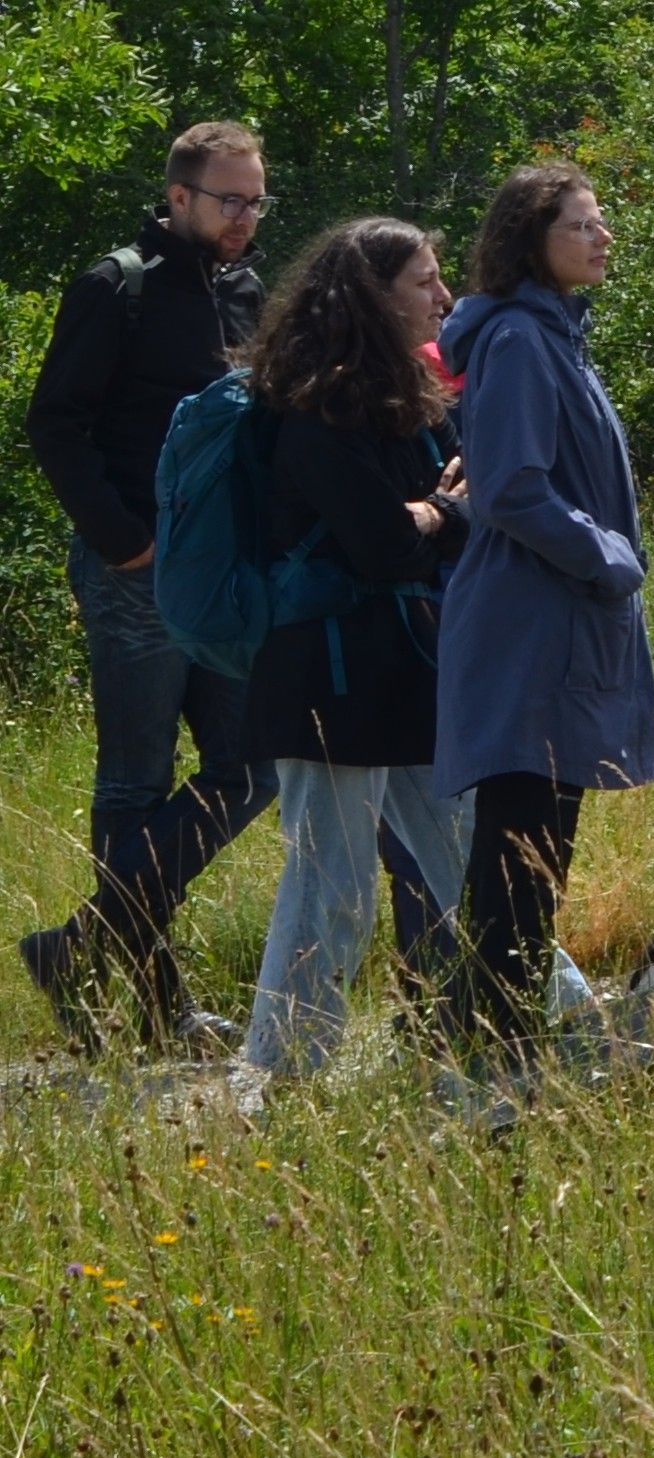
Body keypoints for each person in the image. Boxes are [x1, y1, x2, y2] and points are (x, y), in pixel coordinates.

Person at [19, 120, 276, 1046]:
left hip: (224, 575)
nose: (245, 216)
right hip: (138, 570)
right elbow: (54, 425)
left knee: (254, 767)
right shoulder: (117, 285)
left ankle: (81, 944)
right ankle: (160, 1012)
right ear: (179, 198)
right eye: (229, 200)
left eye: (255, 200)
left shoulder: (245, 289)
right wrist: (127, 542)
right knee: (135, 782)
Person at [227, 220, 474, 1079]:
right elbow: (386, 546)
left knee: (471, 859)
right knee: (333, 891)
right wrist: (441, 512)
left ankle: (546, 1015)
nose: (443, 299)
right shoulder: (319, 415)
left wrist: (435, 514)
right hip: (325, 681)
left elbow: (431, 521)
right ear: (373, 296)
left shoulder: (404, 404)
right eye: (425, 283)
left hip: (402, 668)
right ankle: (281, 1076)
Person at [434, 166, 654, 1062]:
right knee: (519, 844)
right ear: (533, 238)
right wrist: (608, 559)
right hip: (532, 623)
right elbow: (513, 489)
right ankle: (489, 1039)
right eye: (581, 225)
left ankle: (494, 1028)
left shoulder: (556, 335)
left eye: (601, 222)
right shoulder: (523, 341)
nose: (603, 238)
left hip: (557, 618)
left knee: (535, 843)